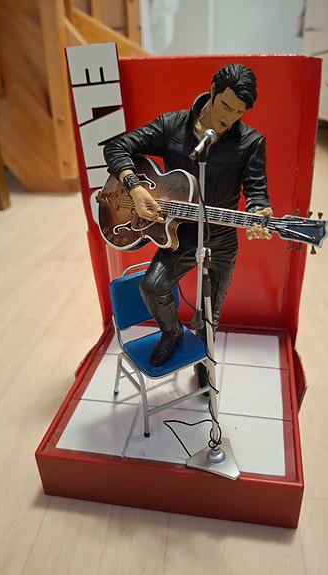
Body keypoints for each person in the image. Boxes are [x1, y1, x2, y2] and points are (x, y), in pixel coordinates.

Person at [103, 63, 273, 390]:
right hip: (179, 234)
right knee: (152, 287)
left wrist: (258, 210)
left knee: (210, 312)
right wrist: (135, 187)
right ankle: (172, 333)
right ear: (212, 90)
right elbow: (116, 148)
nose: (229, 118)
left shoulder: (251, 142)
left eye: (239, 112)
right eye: (226, 106)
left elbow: (257, 190)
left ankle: (204, 361)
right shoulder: (172, 126)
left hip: (221, 237)